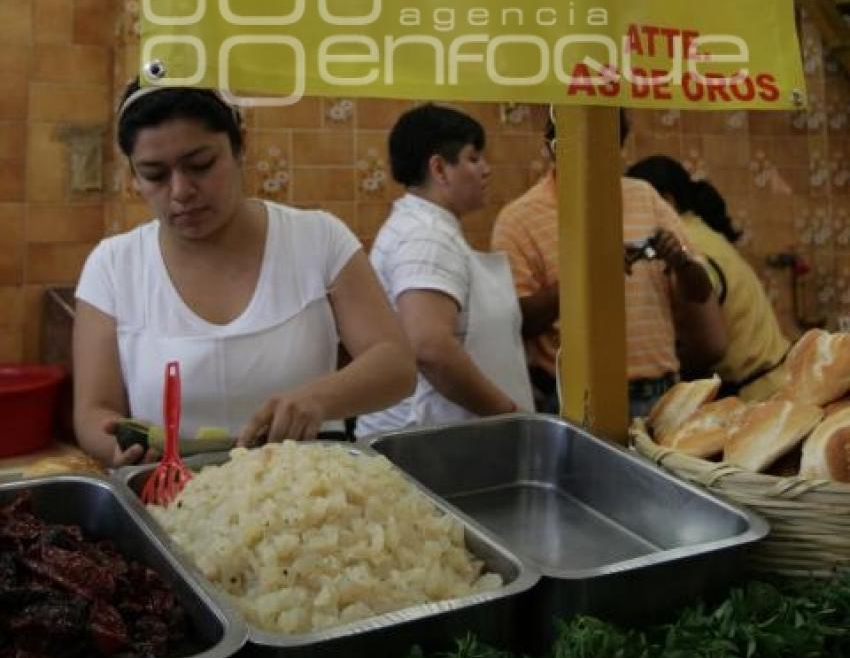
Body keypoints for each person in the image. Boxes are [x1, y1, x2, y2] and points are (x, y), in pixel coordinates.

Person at [73, 81, 416, 467]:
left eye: (201, 165)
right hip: (170, 496)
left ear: (239, 148)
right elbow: (93, 412)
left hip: (309, 492)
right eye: (155, 174)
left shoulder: (318, 238)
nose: (181, 190)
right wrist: (119, 444)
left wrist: (319, 398)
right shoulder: (114, 266)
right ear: (133, 176)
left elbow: (396, 364)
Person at [491, 114, 727, 418]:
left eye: (607, 144)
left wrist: (680, 262)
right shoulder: (519, 219)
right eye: (578, 144)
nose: (595, 154)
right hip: (577, 402)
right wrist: (589, 273)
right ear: (552, 147)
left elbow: (700, 291)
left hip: (661, 396)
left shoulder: (645, 197)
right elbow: (516, 321)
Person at [356, 104, 534, 436]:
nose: (486, 169)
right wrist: (509, 415)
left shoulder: (423, 226)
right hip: (422, 441)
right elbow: (430, 347)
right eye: (473, 157)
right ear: (439, 169)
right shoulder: (426, 236)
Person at [626, 156, 790, 400]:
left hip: (754, 396)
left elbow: (710, 347)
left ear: (666, 201)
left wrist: (660, 368)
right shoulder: (703, 232)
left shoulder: (689, 245)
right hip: (775, 381)